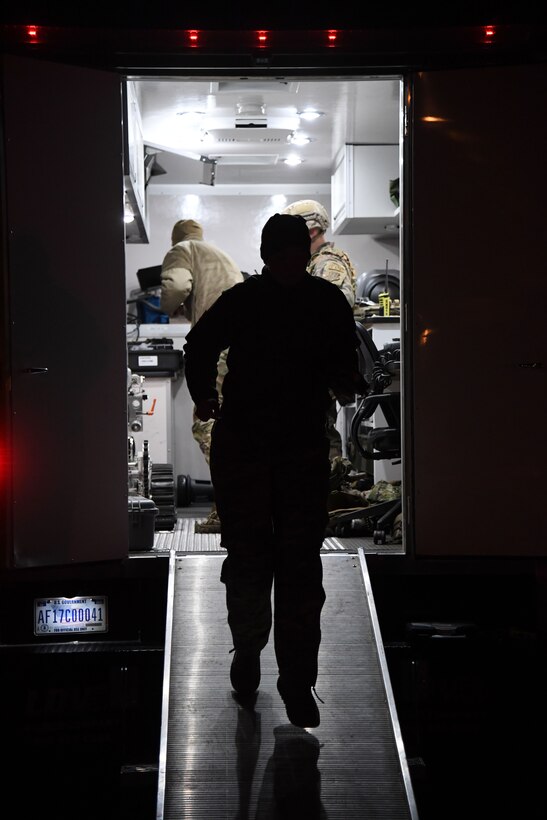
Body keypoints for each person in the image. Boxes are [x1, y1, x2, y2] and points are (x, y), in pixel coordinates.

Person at [183, 214, 365, 728]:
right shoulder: (282, 299)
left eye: (291, 251)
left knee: (284, 563)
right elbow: (199, 346)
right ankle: (259, 658)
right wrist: (205, 396)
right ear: (271, 254)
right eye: (281, 252)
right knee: (266, 561)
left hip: (279, 449)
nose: (288, 260)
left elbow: (200, 345)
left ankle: (288, 677)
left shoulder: (288, 300)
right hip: (266, 448)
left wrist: (206, 398)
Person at [160, 218, 243, 530]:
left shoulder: (181, 250)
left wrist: (168, 306)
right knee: (234, 422)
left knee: (208, 423)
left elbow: (176, 286)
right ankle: (239, 505)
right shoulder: (218, 253)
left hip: (216, 345)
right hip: (240, 347)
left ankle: (228, 509)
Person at [282, 200, 357, 459]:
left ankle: (326, 489)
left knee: (317, 432)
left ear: (311, 231)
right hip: (314, 365)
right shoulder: (313, 264)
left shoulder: (327, 264)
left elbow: (330, 315)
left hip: (320, 368)